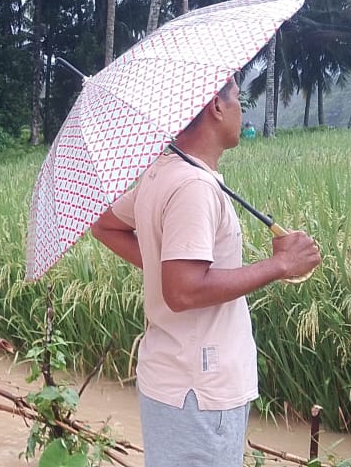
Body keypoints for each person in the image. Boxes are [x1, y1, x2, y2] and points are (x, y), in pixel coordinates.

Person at [90, 80, 320, 466]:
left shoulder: (165, 171)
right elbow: (182, 292)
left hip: (174, 380)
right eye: (238, 99)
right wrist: (280, 265)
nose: (241, 110)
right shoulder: (193, 186)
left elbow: (104, 225)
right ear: (216, 105)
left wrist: (170, 268)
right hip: (200, 389)